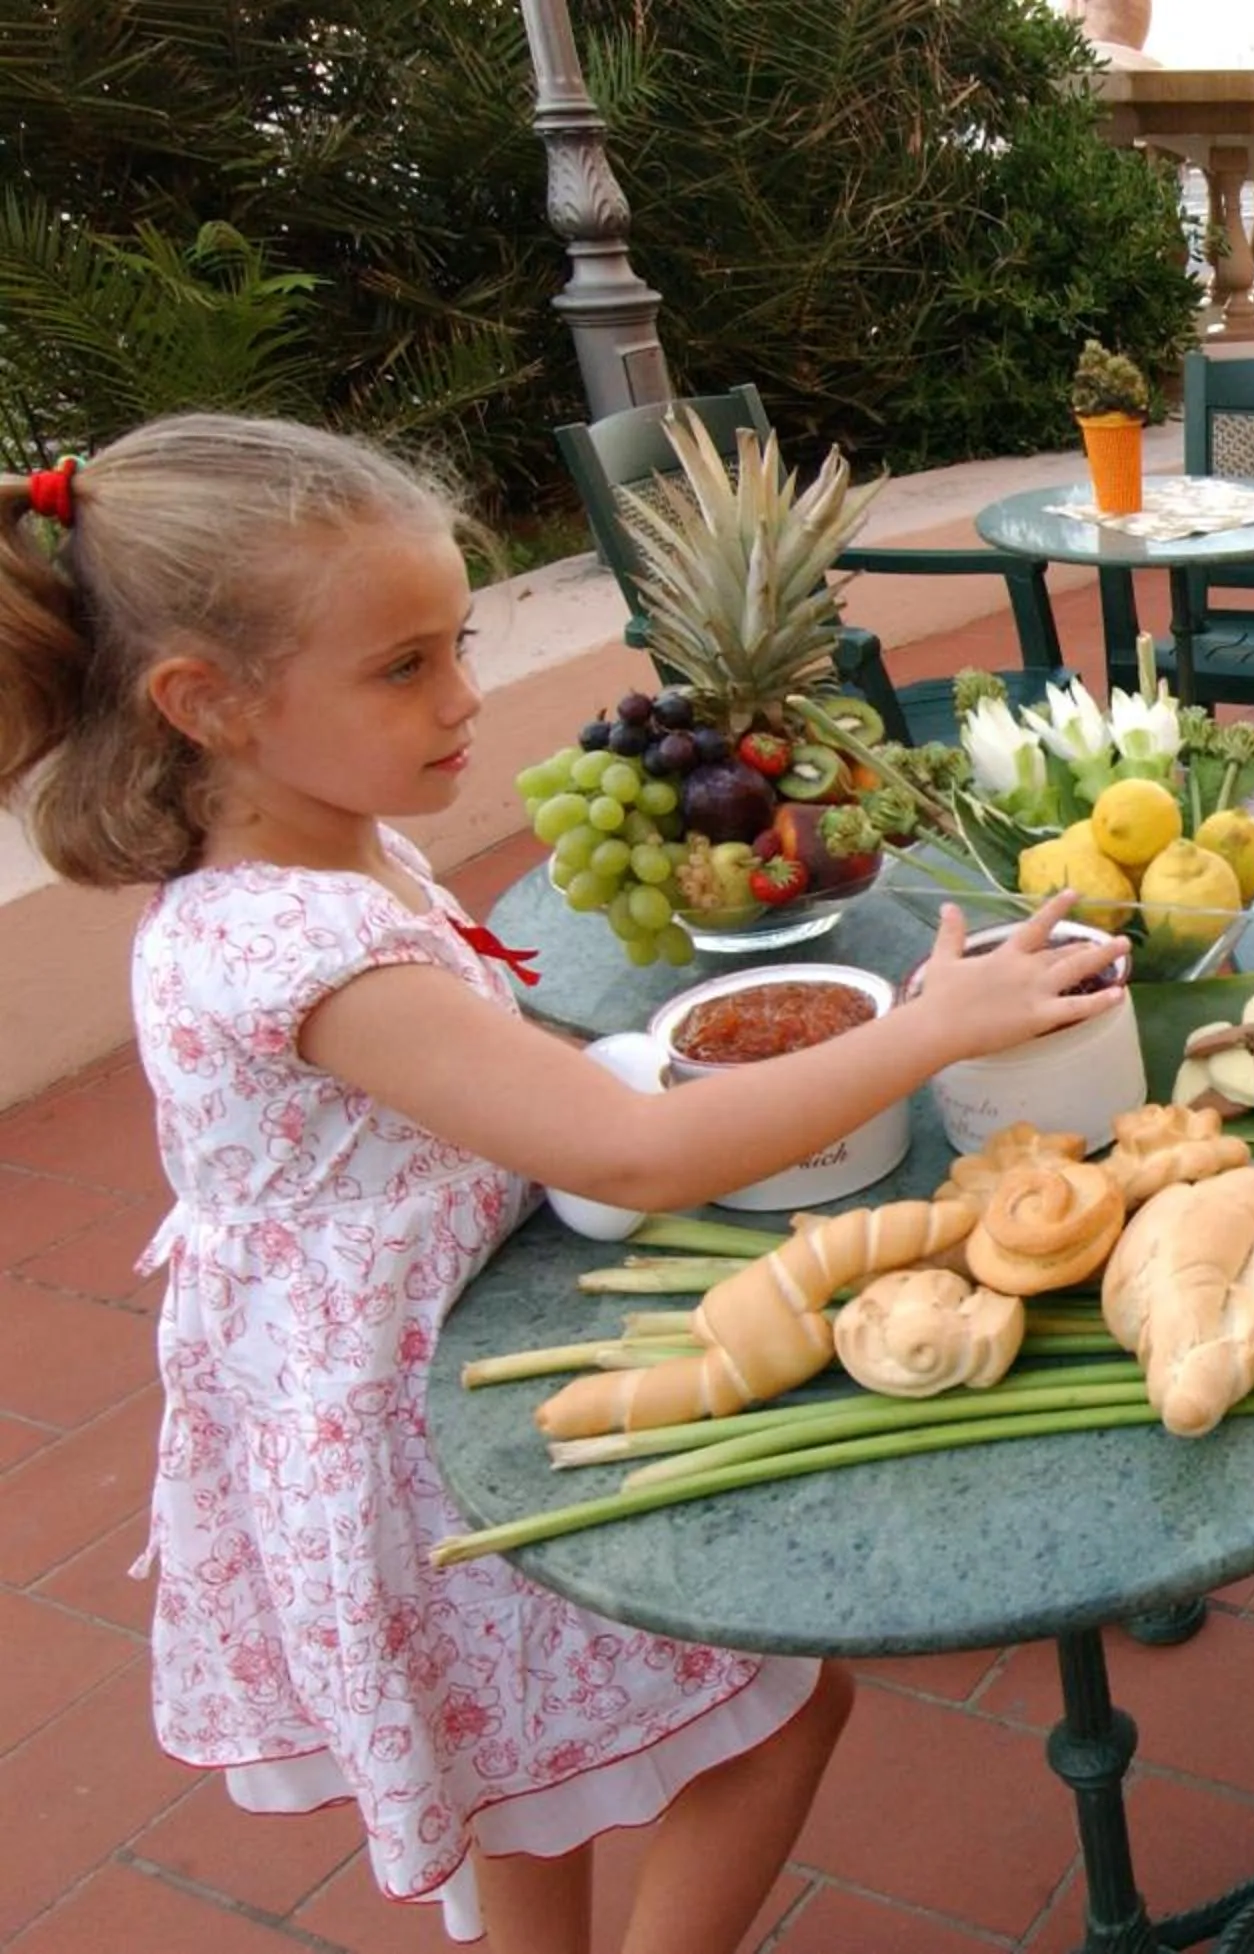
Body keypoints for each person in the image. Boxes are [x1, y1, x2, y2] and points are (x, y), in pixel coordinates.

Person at [0, 415, 1132, 1951]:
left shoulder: (306, 846)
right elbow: (631, 1152)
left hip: (397, 1374)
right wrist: (931, 1032)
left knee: (519, 1773)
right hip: (418, 1425)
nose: (466, 697)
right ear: (206, 702)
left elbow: (484, 1078)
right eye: (404, 667)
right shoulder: (294, 943)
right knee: (777, 1715)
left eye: (457, 642)